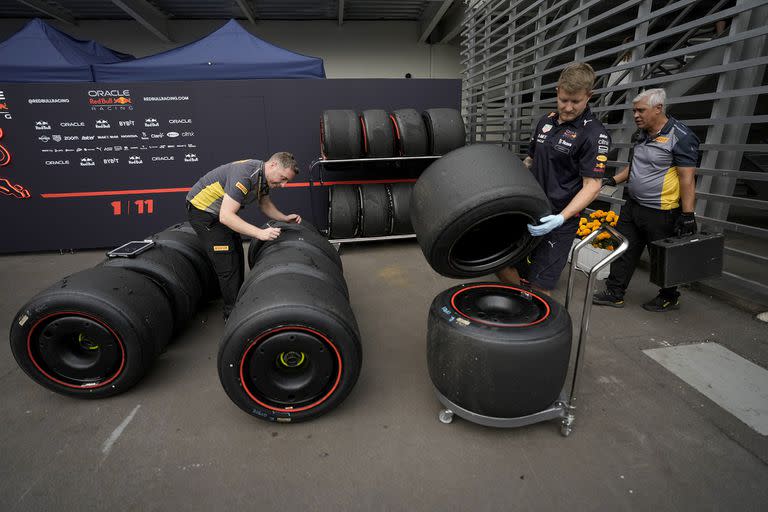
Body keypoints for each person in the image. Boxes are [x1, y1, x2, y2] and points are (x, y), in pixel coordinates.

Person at [497, 62, 610, 295]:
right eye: (564, 99)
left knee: (541, 287)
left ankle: (532, 308)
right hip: (528, 210)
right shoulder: (545, 121)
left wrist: (560, 218)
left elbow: (593, 186)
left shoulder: (594, 134)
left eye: (575, 101)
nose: (567, 108)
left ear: (589, 96)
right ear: (558, 91)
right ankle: (521, 298)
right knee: (501, 263)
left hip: (559, 220)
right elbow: (530, 161)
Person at [594, 88, 700, 312]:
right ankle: (615, 292)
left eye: (641, 110)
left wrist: (688, 214)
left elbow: (687, 178)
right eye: (634, 111)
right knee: (623, 249)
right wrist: (613, 180)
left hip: (661, 211)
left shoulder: (680, 136)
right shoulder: (640, 133)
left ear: (658, 108)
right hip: (633, 206)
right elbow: (636, 165)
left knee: (661, 258)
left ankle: (669, 297)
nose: (636, 115)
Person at [186, 152, 302, 320]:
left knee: (236, 253)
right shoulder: (246, 174)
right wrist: (260, 233)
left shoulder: (264, 176)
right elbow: (226, 216)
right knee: (228, 263)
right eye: (283, 178)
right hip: (203, 213)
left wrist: (284, 218)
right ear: (273, 165)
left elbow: (265, 204)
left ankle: (236, 300)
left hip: (220, 213)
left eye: (287, 181)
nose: (283, 185)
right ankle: (232, 317)